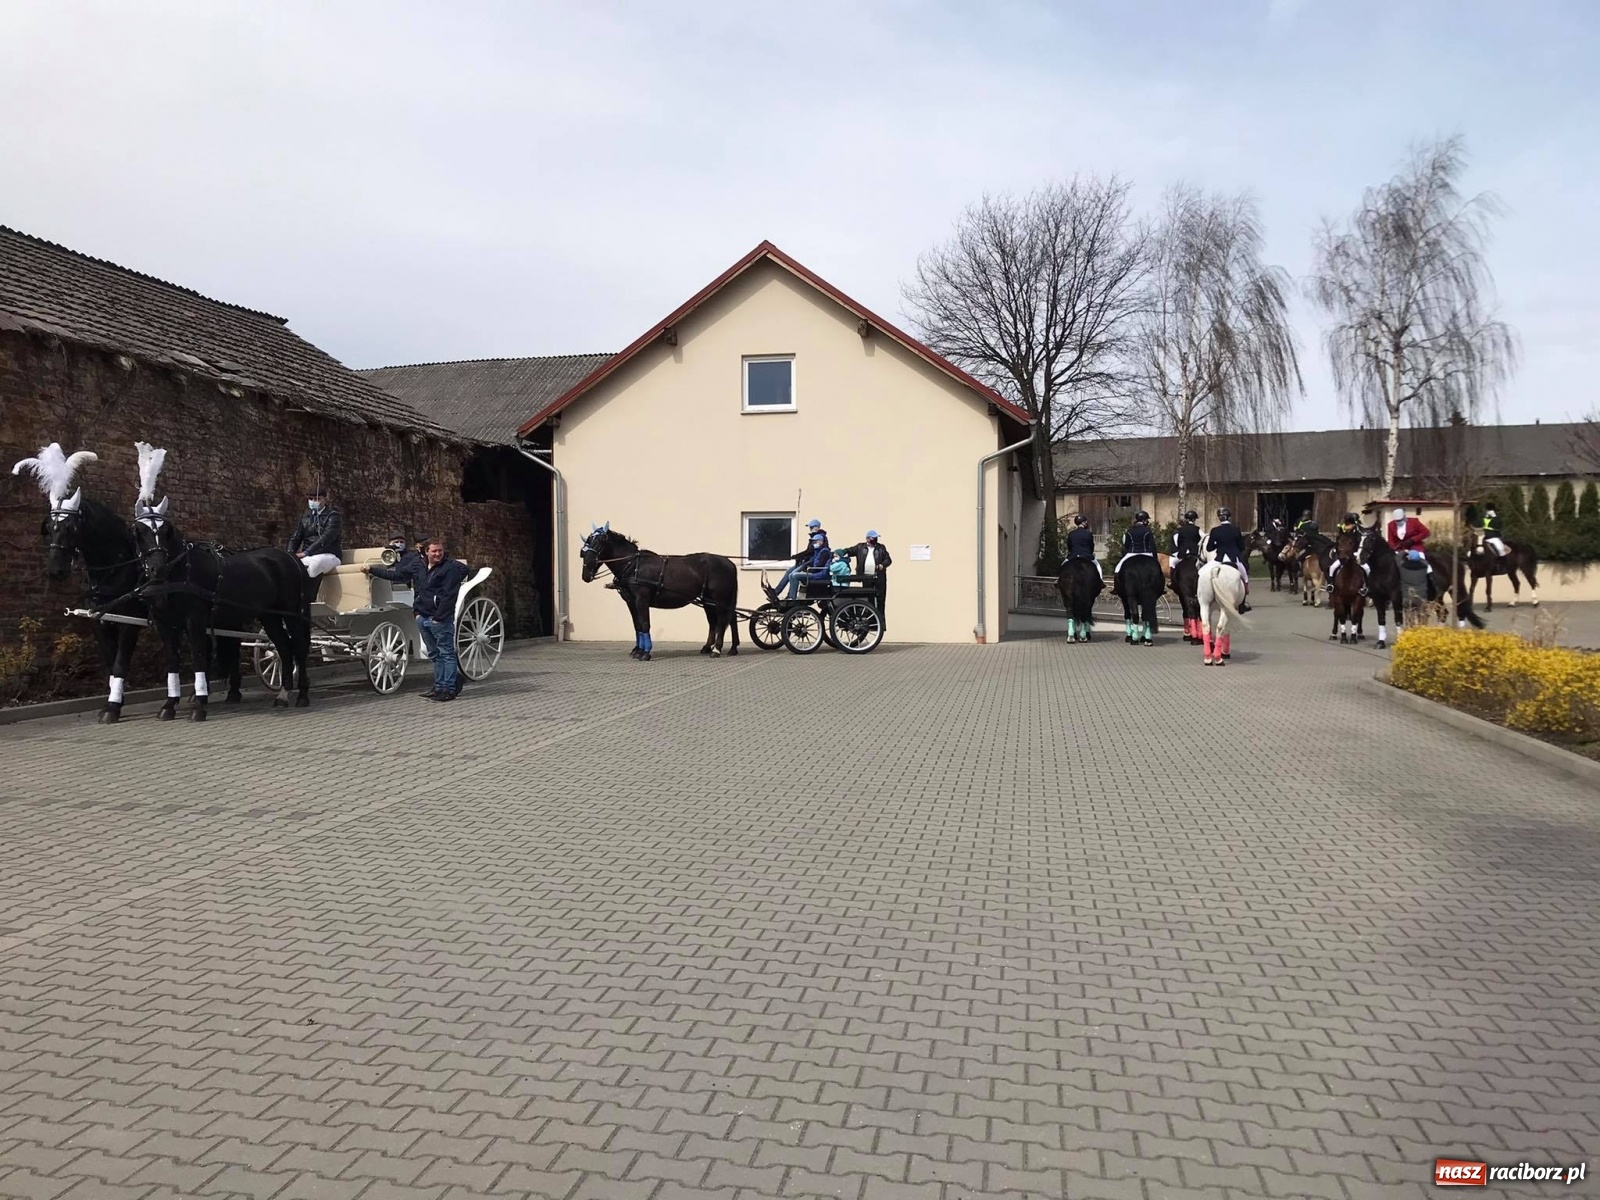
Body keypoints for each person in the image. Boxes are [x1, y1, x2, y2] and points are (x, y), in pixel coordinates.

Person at [366, 538, 470, 701]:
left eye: (440, 551)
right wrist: (372, 570)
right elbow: (397, 575)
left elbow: (449, 596)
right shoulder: (418, 565)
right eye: (434, 551)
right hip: (422, 615)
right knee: (434, 655)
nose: (438, 554)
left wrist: (439, 617)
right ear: (426, 552)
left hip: (439, 618)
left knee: (447, 653)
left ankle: (449, 689)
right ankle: (438, 687)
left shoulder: (449, 568)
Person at [288, 485, 343, 592]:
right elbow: (295, 537)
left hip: (329, 555)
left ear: (324, 499)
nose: (313, 501)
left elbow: (327, 538)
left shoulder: (333, 516)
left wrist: (306, 552)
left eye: (317, 499)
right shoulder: (305, 516)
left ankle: (308, 594)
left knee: (315, 564)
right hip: (309, 556)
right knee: (289, 566)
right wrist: (289, 554)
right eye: (311, 499)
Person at [1204, 507, 1252, 612]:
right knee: (1244, 576)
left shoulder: (1215, 530)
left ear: (1219, 518)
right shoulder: (1236, 529)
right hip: (1233, 558)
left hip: (1219, 559)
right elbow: (1241, 547)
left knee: (1202, 573)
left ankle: (1201, 595)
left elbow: (1209, 548)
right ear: (1229, 517)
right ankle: (1243, 602)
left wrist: (1217, 545)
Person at [850, 530, 893, 629]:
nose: (875, 539)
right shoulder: (860, 547)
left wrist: (883, 565)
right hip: (866, 577)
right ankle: (870, 621)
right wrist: (840, 553)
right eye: (873, 538)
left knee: (880, 599)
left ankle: (880, 623)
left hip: (879, 577)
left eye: (876, 538)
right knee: (869, 599)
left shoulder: (881, 548)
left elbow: (888, 559)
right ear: (868, 538)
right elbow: (850, 551)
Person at [1113, 510, 1158, 598]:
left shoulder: (1130, 531)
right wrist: (1155, 559)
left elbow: (1126, 546)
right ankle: (1160, 587)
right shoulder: (1148, 531)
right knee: (1157, 570)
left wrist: (1123, 557)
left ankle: (1116, 588)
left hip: (1131, 553)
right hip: (1146, 553)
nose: (1147, 522)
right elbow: (1152, 546)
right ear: (1144, 520)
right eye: (1147, 520)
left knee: (1117, 569)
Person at [778, 519, 827, 597]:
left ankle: (791, 596)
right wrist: (798, 557)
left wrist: (797, 556)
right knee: (789, 572)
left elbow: (810, 552)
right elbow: (809, 551)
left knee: (792, 574)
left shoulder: (821, 538)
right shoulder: (815, 538)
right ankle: (778, 592)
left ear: (816, 527)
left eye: (811, 527)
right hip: (807, 561)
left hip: (809, 563)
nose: (810, 529)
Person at [1326, 512, 1370, 595]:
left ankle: (1367, 586)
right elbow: (1339, 542)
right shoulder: (1343, 532)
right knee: (1332, 567)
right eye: (1347, 524)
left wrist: (1357, 553)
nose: (1347, 526)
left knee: (1367, 568)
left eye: (1349, 524)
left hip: (1356, 554)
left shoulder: (1358, 532)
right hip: (1344, 555)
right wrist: (1337, 549)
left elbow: (1361, 543)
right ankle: (1331, 584)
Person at [785, 532, 832, 599]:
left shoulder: (825, 552)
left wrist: (808, 571)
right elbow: (812, 561)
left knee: (795, 575)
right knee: (791, 575)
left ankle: (792, 597)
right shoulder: (817, 551)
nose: (813, 543)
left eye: (815, 542)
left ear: (821, 542)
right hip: (814, 572)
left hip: (819, 574)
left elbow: (819, 566)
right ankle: (791, 596)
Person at [1064, 514, 1102, 580]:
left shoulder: (1071, 534)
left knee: (1063, 566)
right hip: (1087, 556)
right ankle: (1101, 581)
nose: (1086, 523)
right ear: (1083, 523)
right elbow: (1091, 547)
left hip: (1073, 556)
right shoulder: (1088, 534)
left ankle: (1058, 581)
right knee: (1098, 568)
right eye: (1085, 521)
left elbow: (1069, 547)